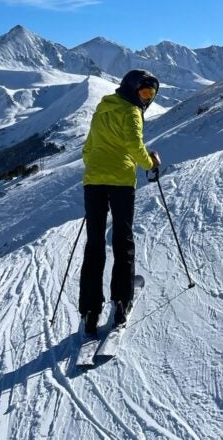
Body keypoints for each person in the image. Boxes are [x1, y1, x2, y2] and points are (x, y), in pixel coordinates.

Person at [78, 69, 161, 336]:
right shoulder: (131, 112)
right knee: (122, 240)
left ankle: (90, 311)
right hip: (121, 184)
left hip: (93, 183)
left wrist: (95, 168)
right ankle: (122, 302)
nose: (147, 99)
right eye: (145, 92)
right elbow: (135, 144)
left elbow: (88, 148)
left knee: (94, 245)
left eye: (151, 94)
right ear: (131, 89)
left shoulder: (103, 107)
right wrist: (151, 163)